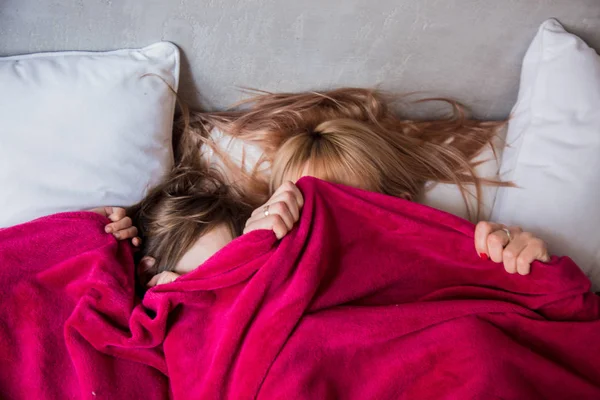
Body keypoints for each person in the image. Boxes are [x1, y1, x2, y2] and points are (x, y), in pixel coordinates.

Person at [132, 88, 551, 286]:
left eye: (348, 202)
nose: (326, 221)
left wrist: (522, 262)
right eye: (306, 205)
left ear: (394, 204)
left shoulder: (454, 250)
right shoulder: (257, 272)